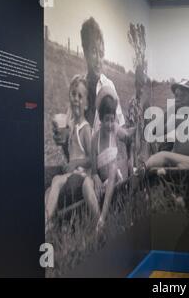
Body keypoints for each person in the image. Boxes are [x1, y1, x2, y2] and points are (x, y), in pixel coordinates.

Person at [53, 17, 126, 158]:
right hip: (81, 164)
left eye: (101, 53)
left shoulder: (108, 87)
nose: (99, 60)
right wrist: (62, 138)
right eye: (93, 52)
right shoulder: (79, 89)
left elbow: (119, 128)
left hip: (103, 164)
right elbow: (68, 132)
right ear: (85, 52)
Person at [82, 86, 135, 232]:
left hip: (116, 179)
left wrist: (130, 159)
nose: (110, 124)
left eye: (112, 120)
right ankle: (100, 222)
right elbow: (93, 170)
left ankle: (103, 216)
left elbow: (129, 139)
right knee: (86, 183)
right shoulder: (95, 139)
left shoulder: (115, 130)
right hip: (103, 184)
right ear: (100, 118)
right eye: (107, 120)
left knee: (112, 167)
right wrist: (95, 177)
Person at [45, 75, 92, 230]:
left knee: (57, 181)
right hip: (72, 172)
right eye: (73, 94)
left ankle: (46, 222)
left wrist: (75, 163)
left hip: (81, 174)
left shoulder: (86, 129)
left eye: (80, 96)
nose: (76, 99)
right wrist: (62, 142)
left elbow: (92, 159)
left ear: (86, 104)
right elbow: (69, 153)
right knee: (49, 189)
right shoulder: (70, 125)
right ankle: (50, 220)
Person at [145, 79, 189, 169]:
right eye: (176, 96)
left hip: (179, 172)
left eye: (183, 95)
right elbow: (156, 131)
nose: (177, 99)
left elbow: (156, 131)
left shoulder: (188, 120)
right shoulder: (182, 118)